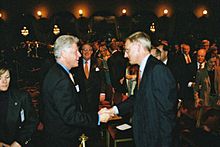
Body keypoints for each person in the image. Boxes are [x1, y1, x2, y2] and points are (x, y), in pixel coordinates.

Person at [100, 32, 178, 147]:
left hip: (155, 139)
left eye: (127, 50)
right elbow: (136, 98)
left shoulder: (157, 70)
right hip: (144, 134)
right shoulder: (144, 68)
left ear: (138, 47)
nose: (125, 55)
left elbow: (166, 114)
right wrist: (113, 110)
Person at [41, 35, 110, 147]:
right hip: (62, 138)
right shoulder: (61, 80)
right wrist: (97, 118)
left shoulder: (56, 72)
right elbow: (70, 116)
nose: (79, 54)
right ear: (63, 53)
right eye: (76, 51)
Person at [0, 62, 38, 147]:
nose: (4, 81)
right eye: (0, 78)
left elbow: (32, 121)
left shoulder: (21, 97)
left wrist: (19, 142)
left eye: (7, 77)